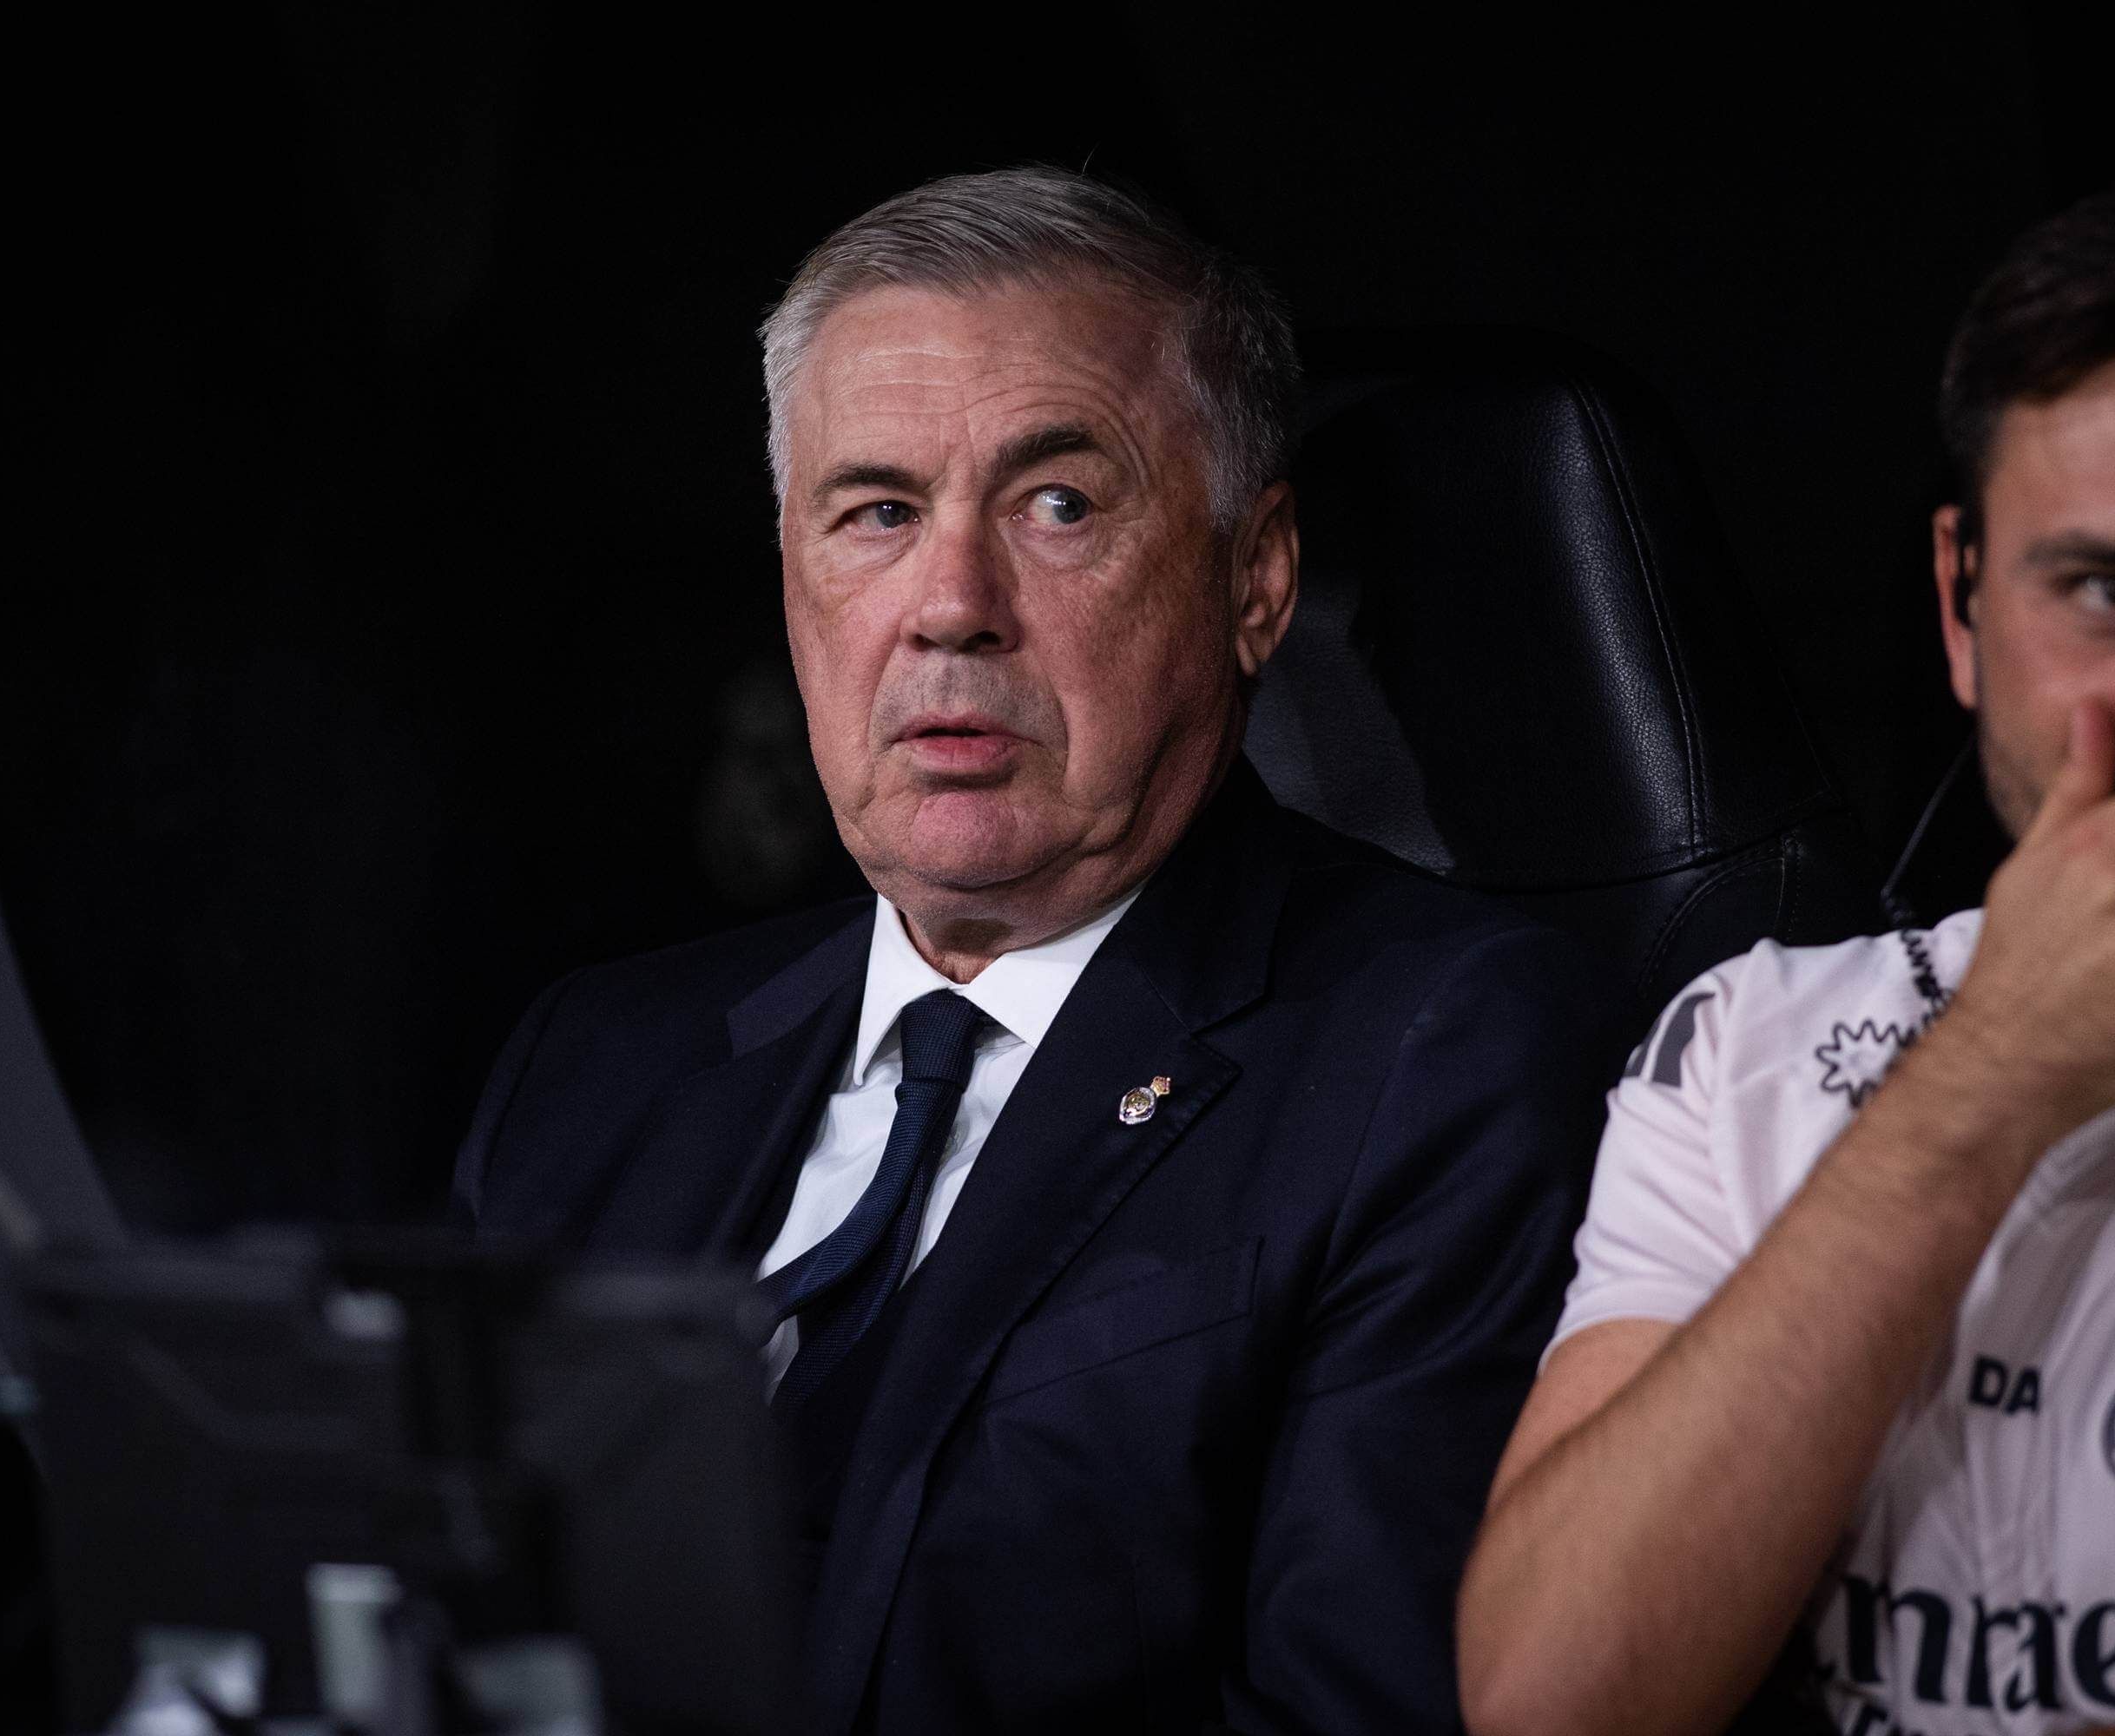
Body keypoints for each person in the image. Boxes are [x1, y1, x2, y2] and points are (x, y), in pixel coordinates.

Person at [455, 167, 1617, 1734]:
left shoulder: (1437, 1054)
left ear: (1256, 579)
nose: (952, 607)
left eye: (1058, 504)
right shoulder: (594, 1067)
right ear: (793, 583)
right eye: (876, 513)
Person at [1458, 174, 2115, 1736]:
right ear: (1965, 608)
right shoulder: (1743, 1042)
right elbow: (1559, 1697)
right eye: (2107, 591)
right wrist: (1999, 1070)